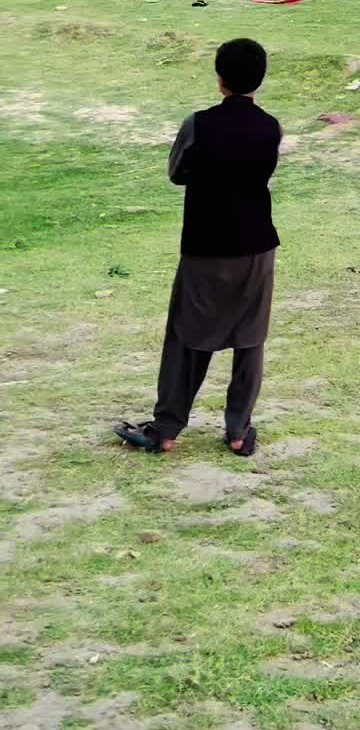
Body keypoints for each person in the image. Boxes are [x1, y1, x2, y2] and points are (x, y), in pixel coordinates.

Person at [113, 38, 281, 455]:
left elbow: (177, 173)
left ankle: (167, 428)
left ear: (220, 78)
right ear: (260, 79)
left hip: (206, 245)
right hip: (257, 246)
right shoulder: (270, 126)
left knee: (187, 336)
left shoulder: (198, 124)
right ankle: (239, 430)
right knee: (250, 339)